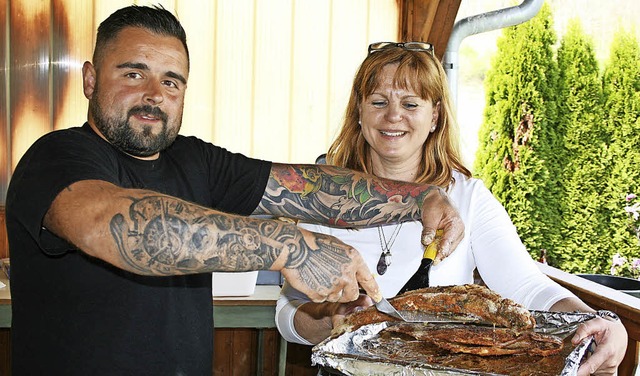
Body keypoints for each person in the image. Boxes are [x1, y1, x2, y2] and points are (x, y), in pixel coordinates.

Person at [5, 8, 466, 376]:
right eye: (132, 74)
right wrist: (291, 247)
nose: (154, 93)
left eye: (171, 81)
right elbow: (118, 226)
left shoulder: (194, 160)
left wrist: (417, 198)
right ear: (90, 79)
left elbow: (310, 188)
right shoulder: (56, 157)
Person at [275, 41, 628, 376]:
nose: (393, 116)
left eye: (411, 104)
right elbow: (287, 313)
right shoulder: (320, 195)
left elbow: (529, 287)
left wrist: (602, 322)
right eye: (379, 102)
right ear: (359, 113)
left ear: (434, 117)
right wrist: (333, 316)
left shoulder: (468, 198)